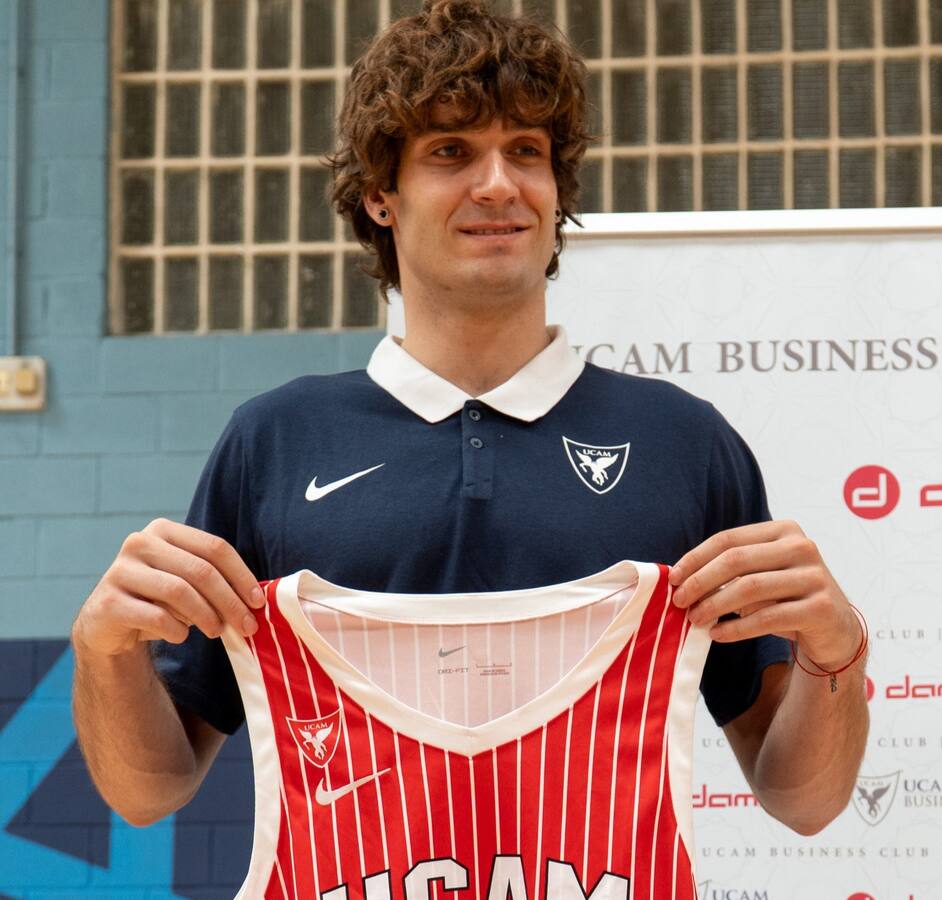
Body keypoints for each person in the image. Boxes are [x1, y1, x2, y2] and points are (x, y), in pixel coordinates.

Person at [71, 0, 867, 840]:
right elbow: (148, 790)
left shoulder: (684, 441)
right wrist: (102, 650)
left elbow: (802, 799)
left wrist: (837, 649)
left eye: (526, 151)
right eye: (451, 152)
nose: (498, 184)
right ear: (381, 195)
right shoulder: (275, 440)